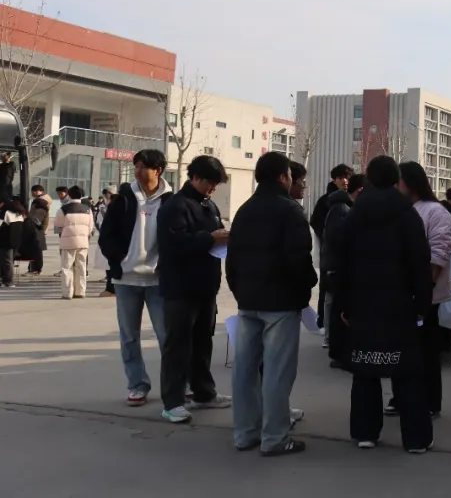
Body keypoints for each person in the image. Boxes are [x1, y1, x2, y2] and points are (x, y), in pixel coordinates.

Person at [333, 155, 433, 453]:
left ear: (369, 178)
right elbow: (420, 262)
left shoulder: (355, 214)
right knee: (408, 371)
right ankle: (416, 439)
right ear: (396, 179)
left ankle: (365, 432)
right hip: (400, 303)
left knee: (365, 369)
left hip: (362, 303)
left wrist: (343, 304)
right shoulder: (408, 215)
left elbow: (342, 262)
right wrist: (422, 302)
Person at [226, 151, 316, 457]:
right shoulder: (290, 211)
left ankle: (245, 433)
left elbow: (232, 259)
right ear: (282, 177)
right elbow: (299, 259)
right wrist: (307, 286)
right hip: (280, 302)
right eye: (290, 174)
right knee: (277, 372)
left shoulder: (244, 210)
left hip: (248, 300)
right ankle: (275, 437)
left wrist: (240, 292)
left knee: (245, 370)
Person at [156, 156, 231, 424]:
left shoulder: (208, 205)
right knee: (178, 346)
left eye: (216, 184)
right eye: (210, 183)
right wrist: (210, 238)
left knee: (202, 343)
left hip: (205, 285)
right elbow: (175, 244)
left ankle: (203, 392)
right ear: (196, 177)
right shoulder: (175, 206)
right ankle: (173, 401)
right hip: (181, 287)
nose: (213, 189)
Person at [98, 152, 173, 407]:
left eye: (142, 167)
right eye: (136, 166)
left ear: (158, 170)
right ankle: (137, 385)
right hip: (127, 279)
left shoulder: (170, 200)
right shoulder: (123, 200)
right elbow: (106, 236)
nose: (137, 171)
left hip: (158, 280)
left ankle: (175, 386)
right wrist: (118, 258)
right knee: (129, 336)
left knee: (166, 336)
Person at [384, 162, 451, 419]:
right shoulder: (399, 210)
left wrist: (424, 288)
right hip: (399, 294)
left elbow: (439, 253)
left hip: (426, 297)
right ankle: (400, 397)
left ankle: (430, 401)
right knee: (399, 350)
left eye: (399, 180)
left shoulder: (435, 212)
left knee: (425, 352)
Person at [322, 172, 367, 367]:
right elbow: (338, 239)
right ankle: (339, 354)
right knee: (339, 311)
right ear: (361, 190)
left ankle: (340, 351)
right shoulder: (342, 208)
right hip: (338, 267)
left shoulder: (346, 207)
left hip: (339, 266)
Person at [311, 163, 353, 330]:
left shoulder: (351, 198)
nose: (344, 181)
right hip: (329, 253)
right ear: (334, 180)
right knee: (327, 289)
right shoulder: (325, 200)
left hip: (344, 254)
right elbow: (316, 222)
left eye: (347, 177)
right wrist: (326, 236)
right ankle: (323, 321)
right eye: (341, 178)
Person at [54, 186, 93, 299]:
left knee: (67, 267)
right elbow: (90, 227)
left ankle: (67, 292)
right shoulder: (87, 209)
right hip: (83, 242)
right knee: (81, 266)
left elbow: (58, 226)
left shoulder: (63, 209)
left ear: (69, 195)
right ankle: (80, 291)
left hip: (67, 242)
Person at [95, 186, 118, 298]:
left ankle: (111, 289)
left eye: (109, 193)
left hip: (114, 240)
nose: (106, 195)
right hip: (107, 239)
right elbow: (98, 222)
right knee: (108, 265)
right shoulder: (103, 206)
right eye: (105, 193)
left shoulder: (117, 206)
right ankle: (111, 287)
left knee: (112, 265)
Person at [0, 200, 28, 288]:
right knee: (9, 261)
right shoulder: (20, 214)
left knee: (7, 262)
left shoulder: (6, 213)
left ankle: (9, 281)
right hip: (16, 242)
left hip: (5, 242)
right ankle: (7, 280)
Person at [25, 193, 48, 276]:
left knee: (37, 252)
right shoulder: (40, 207)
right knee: (35, 251)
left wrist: (27, 217)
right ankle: (32, 269)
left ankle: (36, 270)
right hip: (37, 232)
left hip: (37, 232)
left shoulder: (40, 208)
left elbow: (36, 221)